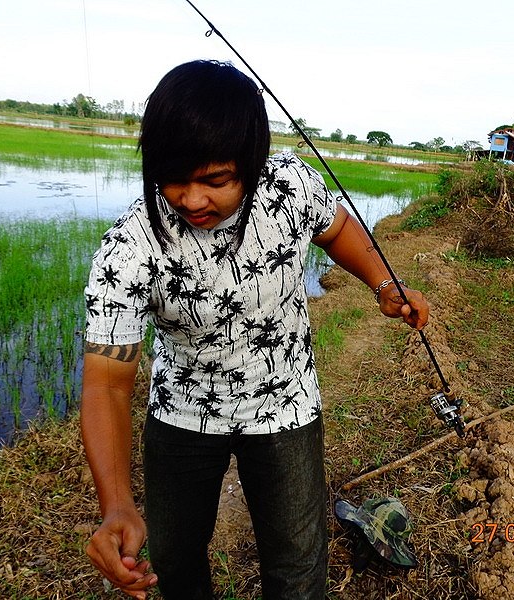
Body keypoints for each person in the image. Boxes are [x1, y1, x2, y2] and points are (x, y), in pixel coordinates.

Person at [80, 59, 429, 600]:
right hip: (182, 412)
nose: (191, 200)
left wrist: (385, 284)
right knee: (175, 562)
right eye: (173, 179)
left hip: (284, 403)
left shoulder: (289, 189)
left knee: (296, 562)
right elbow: (106, 384)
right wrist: (117, 505)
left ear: (253, 164)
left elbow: (335, 230)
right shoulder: (128, 248)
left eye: (215, 181)